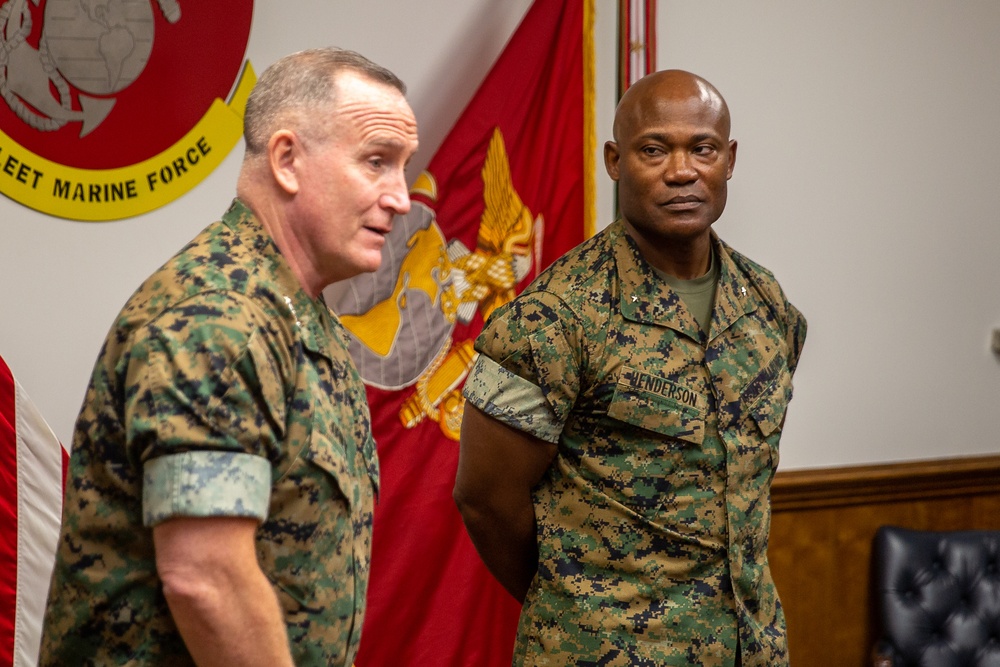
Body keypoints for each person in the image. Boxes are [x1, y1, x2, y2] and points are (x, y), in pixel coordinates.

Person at [40, 47, 418, 666]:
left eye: (403, 167)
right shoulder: (220, 313)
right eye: (377, 162)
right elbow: (204, 578)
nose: (400, 198)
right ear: (288, 160)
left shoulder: (300, 313)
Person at [454, 69, 806, 666]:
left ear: (729, 159)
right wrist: (578, 606)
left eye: (703, 148)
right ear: (615, 161)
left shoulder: (766, 304)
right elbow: (485, 500)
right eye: (653, 150)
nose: (682, 171)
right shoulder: (553, 319)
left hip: (748, 649)